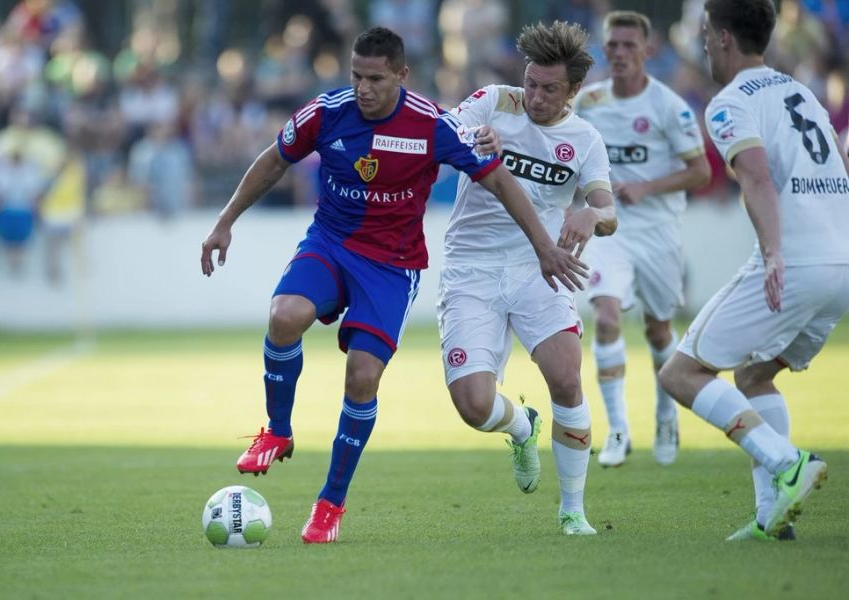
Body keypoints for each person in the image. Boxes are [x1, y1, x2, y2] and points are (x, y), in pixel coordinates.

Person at [200, 26, 586, 544]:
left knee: (362, 376)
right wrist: (225, 221)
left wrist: (543, 246)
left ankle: (330, 504)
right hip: (331, 244)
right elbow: (274, 160)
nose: (363, 88)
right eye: (357, 76)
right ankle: (278, 430)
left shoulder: (430, 126)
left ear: (401, 76)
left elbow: (497, 179)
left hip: (392, 265)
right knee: (283, 315)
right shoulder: (325, 112)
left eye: (376, 79)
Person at [659, 0, 849, 541]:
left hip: (798, 261)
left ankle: (788, 463)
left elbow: (757, 180)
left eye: (702, 35)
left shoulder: (729, 103)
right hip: (842, 263)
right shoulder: (804, 93)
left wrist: (772, 252)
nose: (700, 45)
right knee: (754, 374)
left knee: (682, 373)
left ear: (722, 38)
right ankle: (772, 517)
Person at [440, 20, 616, 536]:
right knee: (474, 406)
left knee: (566, 377)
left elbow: (608, 209)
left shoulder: (585, 140)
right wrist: (474, 134)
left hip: (541, 268)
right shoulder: (495, 100)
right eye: (531, 83)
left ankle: (572, 511)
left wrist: (590, 216)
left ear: (574, 91)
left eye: (549, 89)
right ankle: (521, 427)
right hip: (471, 267)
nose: (534, 96)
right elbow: (444, 129)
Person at [573, 10, 711, 468]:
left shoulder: (669, 107)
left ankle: (666, 413)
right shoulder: (588, 102)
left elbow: (701, 170)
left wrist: (645, 188)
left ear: (647, 52)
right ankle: (617, 430)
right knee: (607, 317)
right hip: (608, 229)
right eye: (612, 45)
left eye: (629, 45)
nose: (618, 53)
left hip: (657, 233)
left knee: (658, 330)